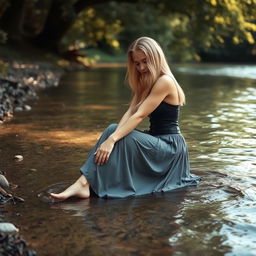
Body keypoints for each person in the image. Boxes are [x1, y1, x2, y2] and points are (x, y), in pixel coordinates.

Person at [50, 36, 200, 200]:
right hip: (156, 140)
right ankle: (84, 183)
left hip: (169, 146)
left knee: (114, 133)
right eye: (137, 63)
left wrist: (112, 139)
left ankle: (83, 184)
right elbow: (130, 111)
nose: (141, 67)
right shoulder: (147, 80)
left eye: (145, 61)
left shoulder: (165, 81)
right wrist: (113, 138)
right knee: (114, 130)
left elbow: (140, 115)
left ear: (156, 58)